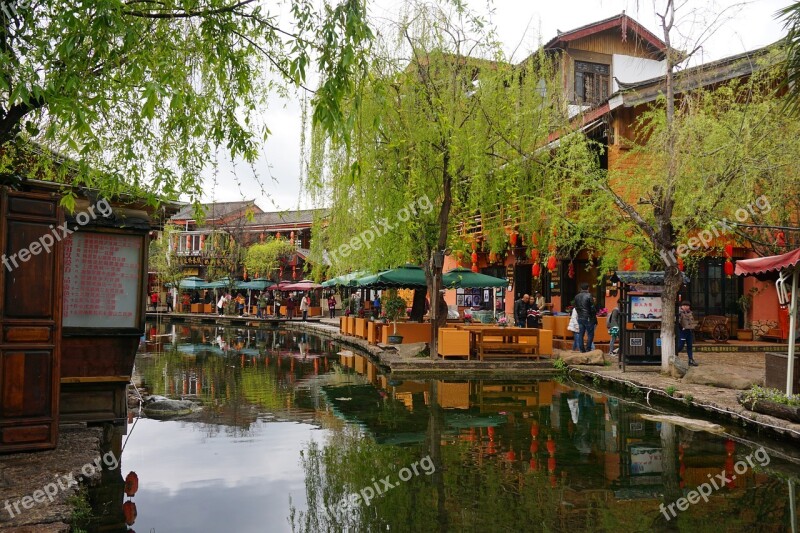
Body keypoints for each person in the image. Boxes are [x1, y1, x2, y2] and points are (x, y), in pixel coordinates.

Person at [574, 283, 596, 353]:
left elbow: (576, 307)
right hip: (588, 317)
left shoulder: (577, 296)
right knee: (590, 334)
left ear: (581, 288)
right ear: (588, 288)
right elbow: (592, 308)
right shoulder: (589, 295)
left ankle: (581, 349)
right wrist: (593, 315)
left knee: (581, 333)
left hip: (580, 317)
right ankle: (588, 348)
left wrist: (579, 314)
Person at [677, 300, 699, 366]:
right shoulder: (679, 313)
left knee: (690, 346)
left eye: (687, 306)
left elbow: (692, 321)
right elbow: (677, 322)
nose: (686, 307)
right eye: (684, 306)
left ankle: (691, 360)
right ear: (681, 306)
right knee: (680, 346)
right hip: (682, 331)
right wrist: (681, 328)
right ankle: (672, 356)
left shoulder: (690, 313)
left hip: (689, 331)